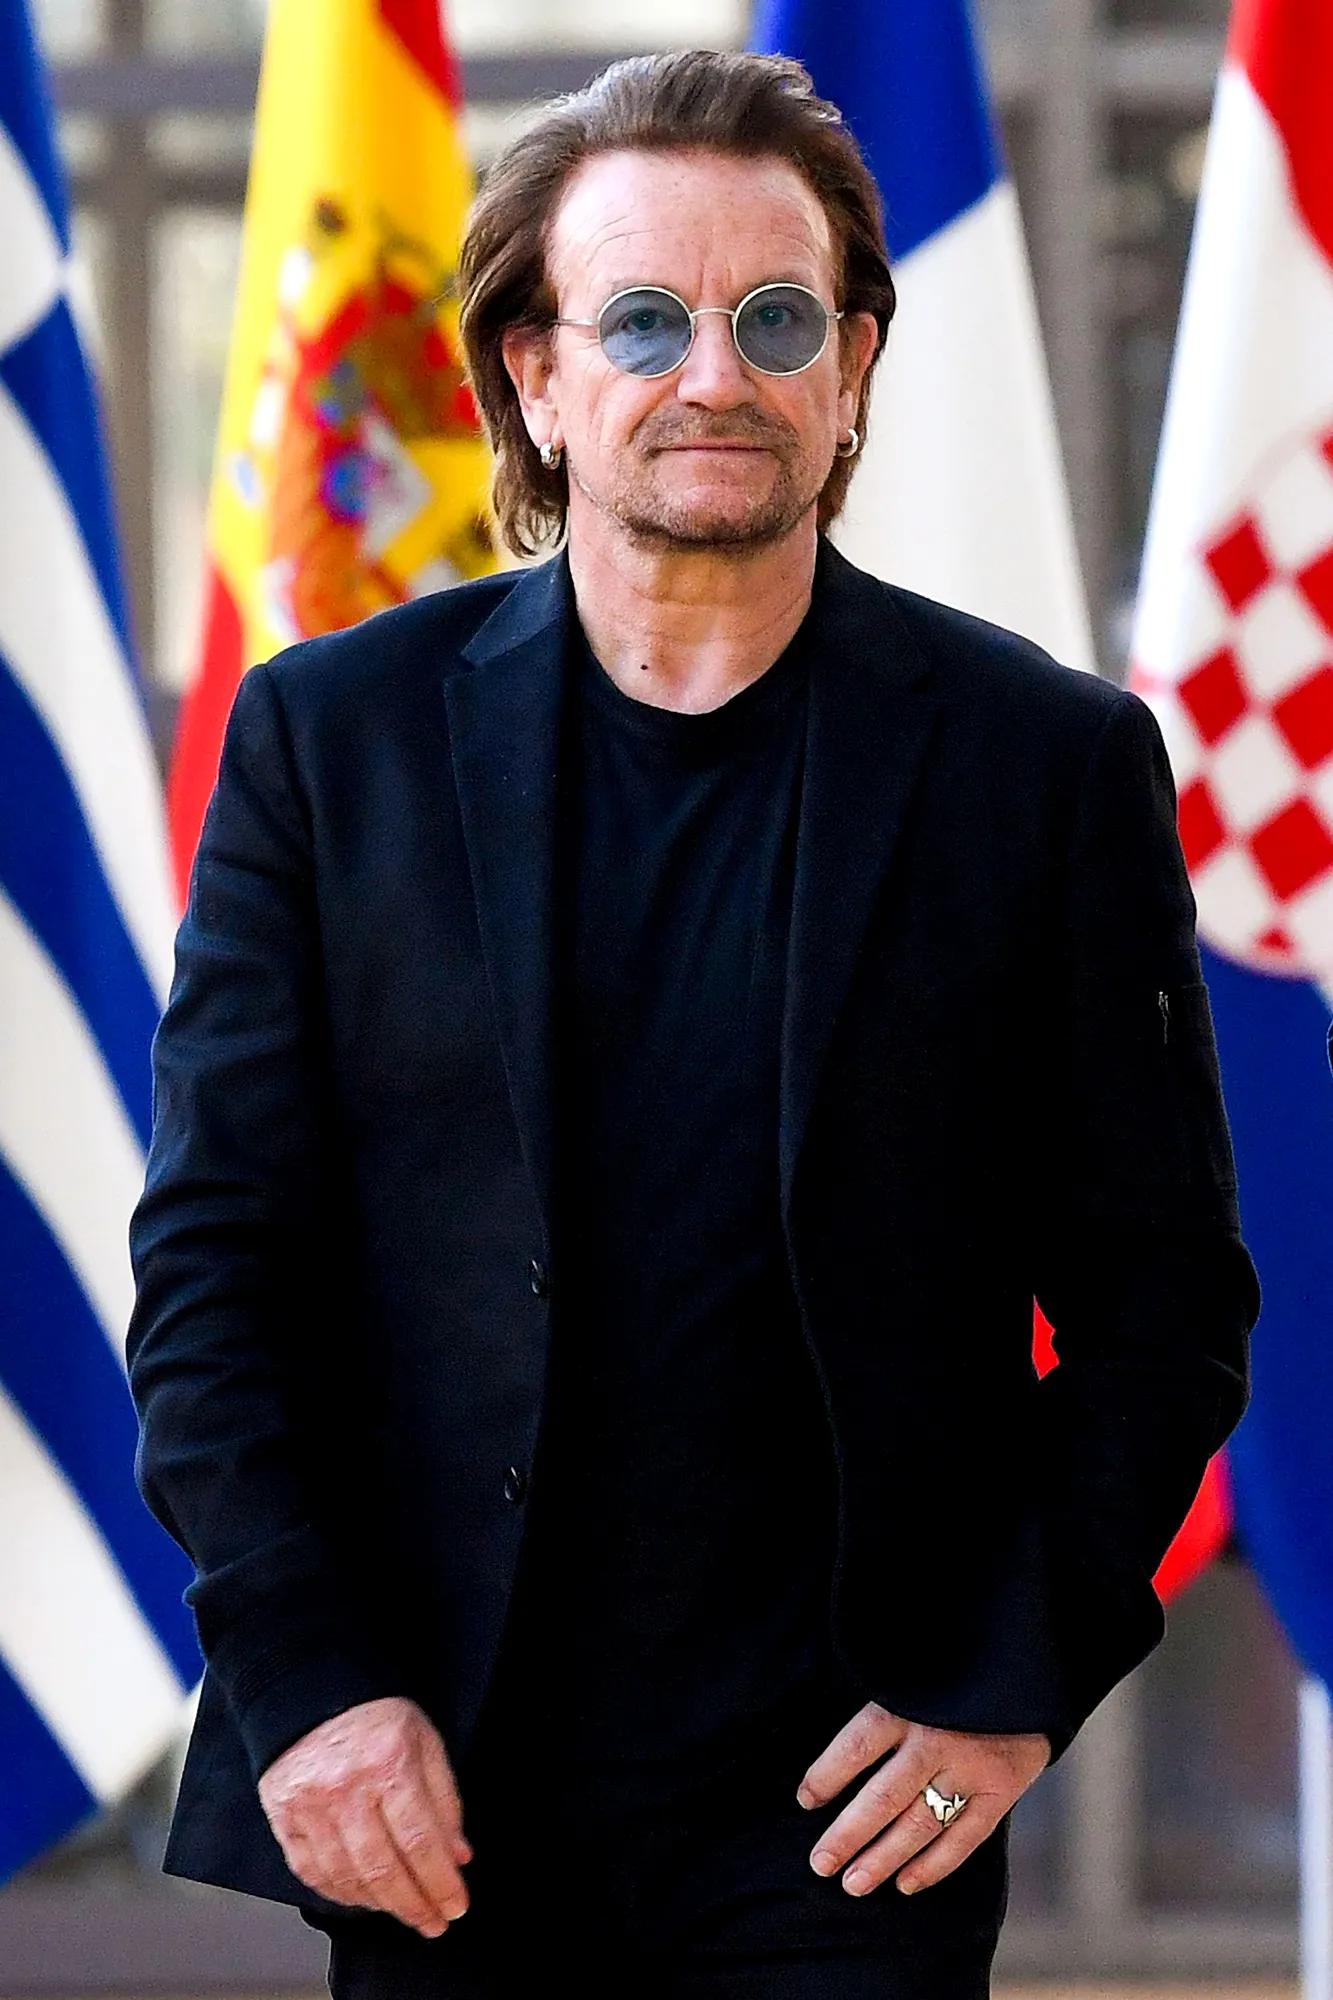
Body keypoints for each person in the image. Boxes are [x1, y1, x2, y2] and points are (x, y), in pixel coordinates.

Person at [128, 49, 1259, 2000]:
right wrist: (309, 1686)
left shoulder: (1046, 767)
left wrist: (1011, 1681)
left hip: (847, 1830)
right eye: (643, 319)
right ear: (536, 379)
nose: (714, 372)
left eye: (777, 320)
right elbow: (218, 1270)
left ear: (854, 369)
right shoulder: (332, 744)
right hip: (439, 1804)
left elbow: (1166, 1304)